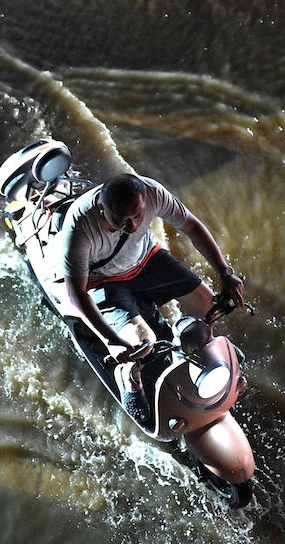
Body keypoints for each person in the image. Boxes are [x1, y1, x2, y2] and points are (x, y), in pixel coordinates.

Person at [56, 173, 245, 424]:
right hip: (103, 279)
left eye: (137, 215)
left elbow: (191, 226)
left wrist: (225, 273)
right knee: (142, 342)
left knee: (209, 304)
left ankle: (204, 350)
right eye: (121, 220)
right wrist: (111, 340)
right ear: (102, 208)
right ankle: (128, 376)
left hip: (146, 259)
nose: (133, 225)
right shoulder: (80, 226)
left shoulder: (154, 192)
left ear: (145, 199)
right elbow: (76, 294)